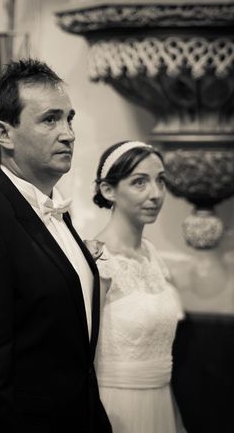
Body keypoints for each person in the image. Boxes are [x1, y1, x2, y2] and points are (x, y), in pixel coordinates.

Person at [0, 59, 112, 432]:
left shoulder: (53, 211)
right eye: (50, 120)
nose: (68, 134)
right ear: (4, 134)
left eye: (69, 119)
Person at [87, 141, 185, 433]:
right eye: (139, 182)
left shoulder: (153, 256)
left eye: (160, 181)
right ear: (108, 190)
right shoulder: (96, 260)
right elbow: (80, 357)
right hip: (115, 408)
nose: (155, 194)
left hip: (161, 403)